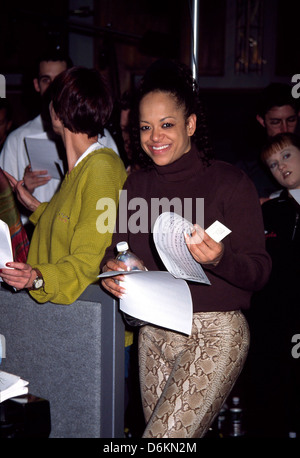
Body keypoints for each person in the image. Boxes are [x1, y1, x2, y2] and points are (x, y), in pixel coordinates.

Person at [100, 60, 271, 438]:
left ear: (190, 124)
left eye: (167, 124)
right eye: (145, 127)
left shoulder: (230, 182)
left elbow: (259, 271)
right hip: (154, 332)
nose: (154, 136)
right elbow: (117, 252)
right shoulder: (136, 185)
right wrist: (115, 272)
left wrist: (220, 259)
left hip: (215, 332)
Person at [0, 66, 127, 305]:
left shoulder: (101, 168)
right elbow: (74, 223)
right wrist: (35, 205)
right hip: (70, 319)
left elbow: (91, 258)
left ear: (57, 112)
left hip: (89, 324)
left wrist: (36, 278)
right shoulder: (80, 169)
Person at [0, 50, 119, 229]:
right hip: (32, 234)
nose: (54, 88)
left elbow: (111, 208)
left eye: (60, 80)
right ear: (36, 84)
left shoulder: (100, 137)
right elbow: (4, 210)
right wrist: (26, 190)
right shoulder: (16, 140)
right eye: (46, 80)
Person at [243, 132, 300, 437]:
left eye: (287, 156)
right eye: (274, 164)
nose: (282, 167)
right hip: (273, 327)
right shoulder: (269, 211)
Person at [236, 82, 300, 202]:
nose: (284, 129)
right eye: (276, 122)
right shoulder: (248, 167)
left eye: (291, 120)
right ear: (262, 121)